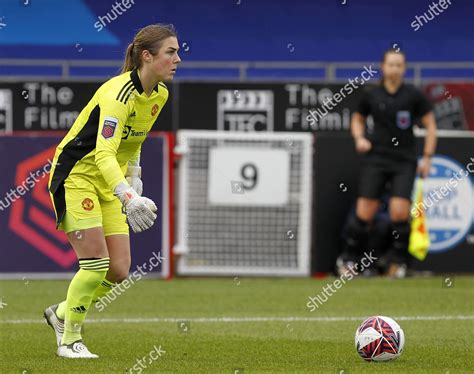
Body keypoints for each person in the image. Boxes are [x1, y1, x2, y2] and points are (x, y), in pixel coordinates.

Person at [43, 24, 181, 358]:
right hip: (76, 176)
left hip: (110, 180)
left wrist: (134, 175)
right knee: (94, 263)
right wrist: (127, 195)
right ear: (147, 56)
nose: (178, 59)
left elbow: (134, 140)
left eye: (177, 51)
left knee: (118, 270)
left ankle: (61, 313)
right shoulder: (117, 94)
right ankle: (70, 339)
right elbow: (104, 151)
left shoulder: (159, 94)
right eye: (171, 52)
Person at [337, 48, 437, 278]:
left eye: (399, 65)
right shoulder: (372, 95)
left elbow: (430, 125)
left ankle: (398, 262)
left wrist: (428, 157)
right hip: (377, 159)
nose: (395, 69)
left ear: (404, 68)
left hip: (404, 160)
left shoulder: (413, 95)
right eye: (391, 64)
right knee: (364, 212)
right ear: (383, 67)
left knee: (399, 213)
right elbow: (357, 118)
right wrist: (359, 138)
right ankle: (349, 259)